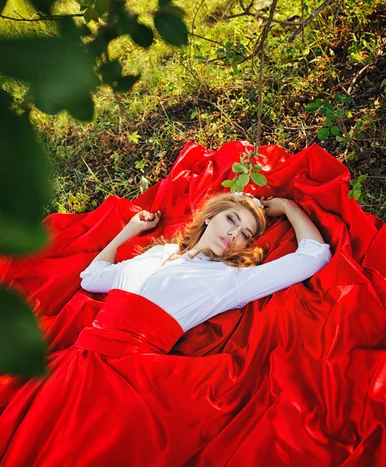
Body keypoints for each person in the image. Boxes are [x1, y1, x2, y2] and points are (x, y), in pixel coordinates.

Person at [0, 192, 331, 467]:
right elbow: (93, 275)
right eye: (231, 220)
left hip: (124, 379)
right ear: (210, 216)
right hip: (75, 364)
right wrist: (128, 230)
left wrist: (288, 207)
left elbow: (314, 256)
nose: (233, 234)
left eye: (244, 233)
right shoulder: (160, 253)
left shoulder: (229, 280)